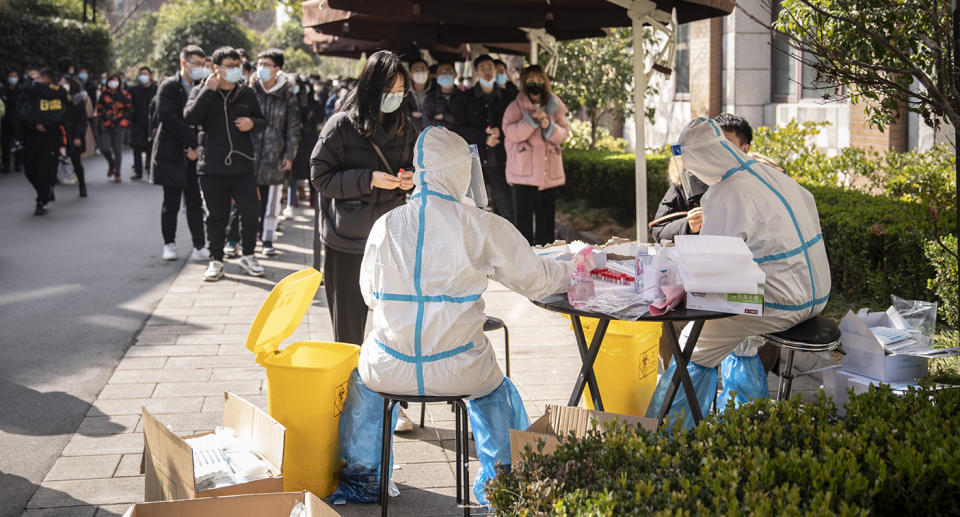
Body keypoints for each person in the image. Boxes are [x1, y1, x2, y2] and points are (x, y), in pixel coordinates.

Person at [332, 126, 575, 505]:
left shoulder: (386, 224)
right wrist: (574, 265)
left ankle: (365, 480)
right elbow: (538, 281)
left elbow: (369, 295)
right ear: (460, 171)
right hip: (459, 368)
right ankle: (503, 483)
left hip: (389, 368)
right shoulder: (479, 225)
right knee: (497, 391)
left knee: (363, 383)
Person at [645, 116, 831, 428]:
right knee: (741, 336)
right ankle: (745, 418)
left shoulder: (724, 194)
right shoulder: (769, 175)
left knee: (695, 342)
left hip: (783, 303)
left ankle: (666, 436)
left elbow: (712, 268)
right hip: (818, 294)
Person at [310, 50, 416, 345]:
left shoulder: (406, 128)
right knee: (348, 333)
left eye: (400, 91)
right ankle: (347, 387)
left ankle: (384, 386)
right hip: (346, 241)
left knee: (393, 329)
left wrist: (411, 180)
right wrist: (367, 179)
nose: (394, 97)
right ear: (369, 88)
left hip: (391, 240)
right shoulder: (341, 126)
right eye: (388, 90)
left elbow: (419, 169)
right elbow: (320, 177)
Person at [184, 46, 267, 281]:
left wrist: (252, 123)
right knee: (215, 216)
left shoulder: (247, 93)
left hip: (243, 166)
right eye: (230, 67)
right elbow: (190, 117)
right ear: (216, 68)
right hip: (211, 167)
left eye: (237, 66)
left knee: (251, 212)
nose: (235, 71)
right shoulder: (201, 90)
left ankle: (249, 254)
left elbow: (262, 121)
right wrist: (207, 92)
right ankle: (216, 260)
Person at [152, 44, 209, 262]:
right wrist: (193, 142)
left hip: (195, 154)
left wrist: (197, 147)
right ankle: (169, 243)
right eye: (196, 63)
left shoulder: (201, 86)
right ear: (184, 62)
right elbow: (169, 120)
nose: (200, 68)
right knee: (171, 203)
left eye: (202, 64)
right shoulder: (168, 86)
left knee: (195, 202)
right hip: (172, 153)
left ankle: (199, 245)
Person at [502, 65, 570, 245]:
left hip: (548, 173)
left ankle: (547, 257)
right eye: (531, 80)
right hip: (522, 174)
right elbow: (510, 132)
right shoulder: (515, 106)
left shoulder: (555, 105)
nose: (536, 83)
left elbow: (564, 134)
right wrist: (530, 121)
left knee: (546, 219)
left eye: (540, 79)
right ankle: (525, 258)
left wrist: (548, 124)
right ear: (524, 82)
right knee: (522, 219)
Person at [250, 48, 300, 257]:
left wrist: (289, 154)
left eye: (267, 65)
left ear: (277, 69)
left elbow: (293, 127)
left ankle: (267, 239)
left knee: (271, 201)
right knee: (248, 200)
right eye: (259, 64)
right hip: (249, 154)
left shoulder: (287, 93)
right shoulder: (250, 88)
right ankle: (245, 238)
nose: (261, 68)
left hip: (275, 155)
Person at [453, 54, 514, 223]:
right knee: (473, 209)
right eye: (482, 68)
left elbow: (515, 122)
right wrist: (483, 138)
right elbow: (458, 128)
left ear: (496, 70)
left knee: (507, 209)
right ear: (476, 72)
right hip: (474, 160)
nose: (487, 72)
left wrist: (500, 132)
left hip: (501, 160)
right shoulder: (464, 98)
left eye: (490, 68)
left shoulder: (507, 96)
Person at [17, 67, 69, 215]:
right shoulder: (28, 93)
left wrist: (46, 125)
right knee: (30, 170)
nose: (36, 80)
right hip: (30, 137)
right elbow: (20, 112)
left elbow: (62, 113)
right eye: (33, 78)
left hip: (49, 138)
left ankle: (42, 199)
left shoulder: (57, 93)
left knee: (44, 170)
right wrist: (34, 124)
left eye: (38, 77)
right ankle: (44, 191)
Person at [97, 73, 132, 182]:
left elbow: (129, 110)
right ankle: (111, 164)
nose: (113, 82)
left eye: (115, 80)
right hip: (106, 125)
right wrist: (102, 121)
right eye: (111, 80)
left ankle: (117, 172)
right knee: (105, 148)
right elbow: (99, 109)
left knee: (117, 150)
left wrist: (124, 123)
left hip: (119, 125)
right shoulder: (104, 94)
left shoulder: (125, 94)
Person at [61, 74, 89, 197]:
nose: (62, 85)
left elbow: (83, 120)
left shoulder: (78, 100)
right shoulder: (57, 99)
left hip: (73, 134)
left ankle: (82, 184)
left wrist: (78, 136)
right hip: (59, 134)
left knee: (76, 161)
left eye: (65, 83)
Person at [130, 66, 157, 179]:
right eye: (141, 74)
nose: (143, 76)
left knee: (151, 147)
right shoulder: (134, 90)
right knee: (137, 147)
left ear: (150, 76)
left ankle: (150, 169)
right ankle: (138, 170)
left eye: (145, 74)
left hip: (153, 124)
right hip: (137, 123)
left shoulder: (157, 89)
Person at [421, 59, 459, 130]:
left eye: (448, 71)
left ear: (455, 74)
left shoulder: (464, 96)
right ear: (436, 76)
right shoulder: (430, 98)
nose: (445, 74)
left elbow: (464, 120)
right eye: (441, 72)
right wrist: (451, 125)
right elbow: (426, 123)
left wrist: (444, 116)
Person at [1, 70, 22, 174]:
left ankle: (18, 164)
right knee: (5, 144)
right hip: (5, 121)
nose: (13, 78)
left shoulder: (20, 90)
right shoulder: (3, 90)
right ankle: (6, 165)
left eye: (15, 76)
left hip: (17, 121)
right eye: (11, 76)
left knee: (18, 143)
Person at [405, 58, 431, 133]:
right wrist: (410, 114)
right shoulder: (404, 90)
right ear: (410, 74)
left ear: (428, 72)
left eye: (423, 69)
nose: (420, 72)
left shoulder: (435, 89)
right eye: (416, 70)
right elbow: (403, 109)